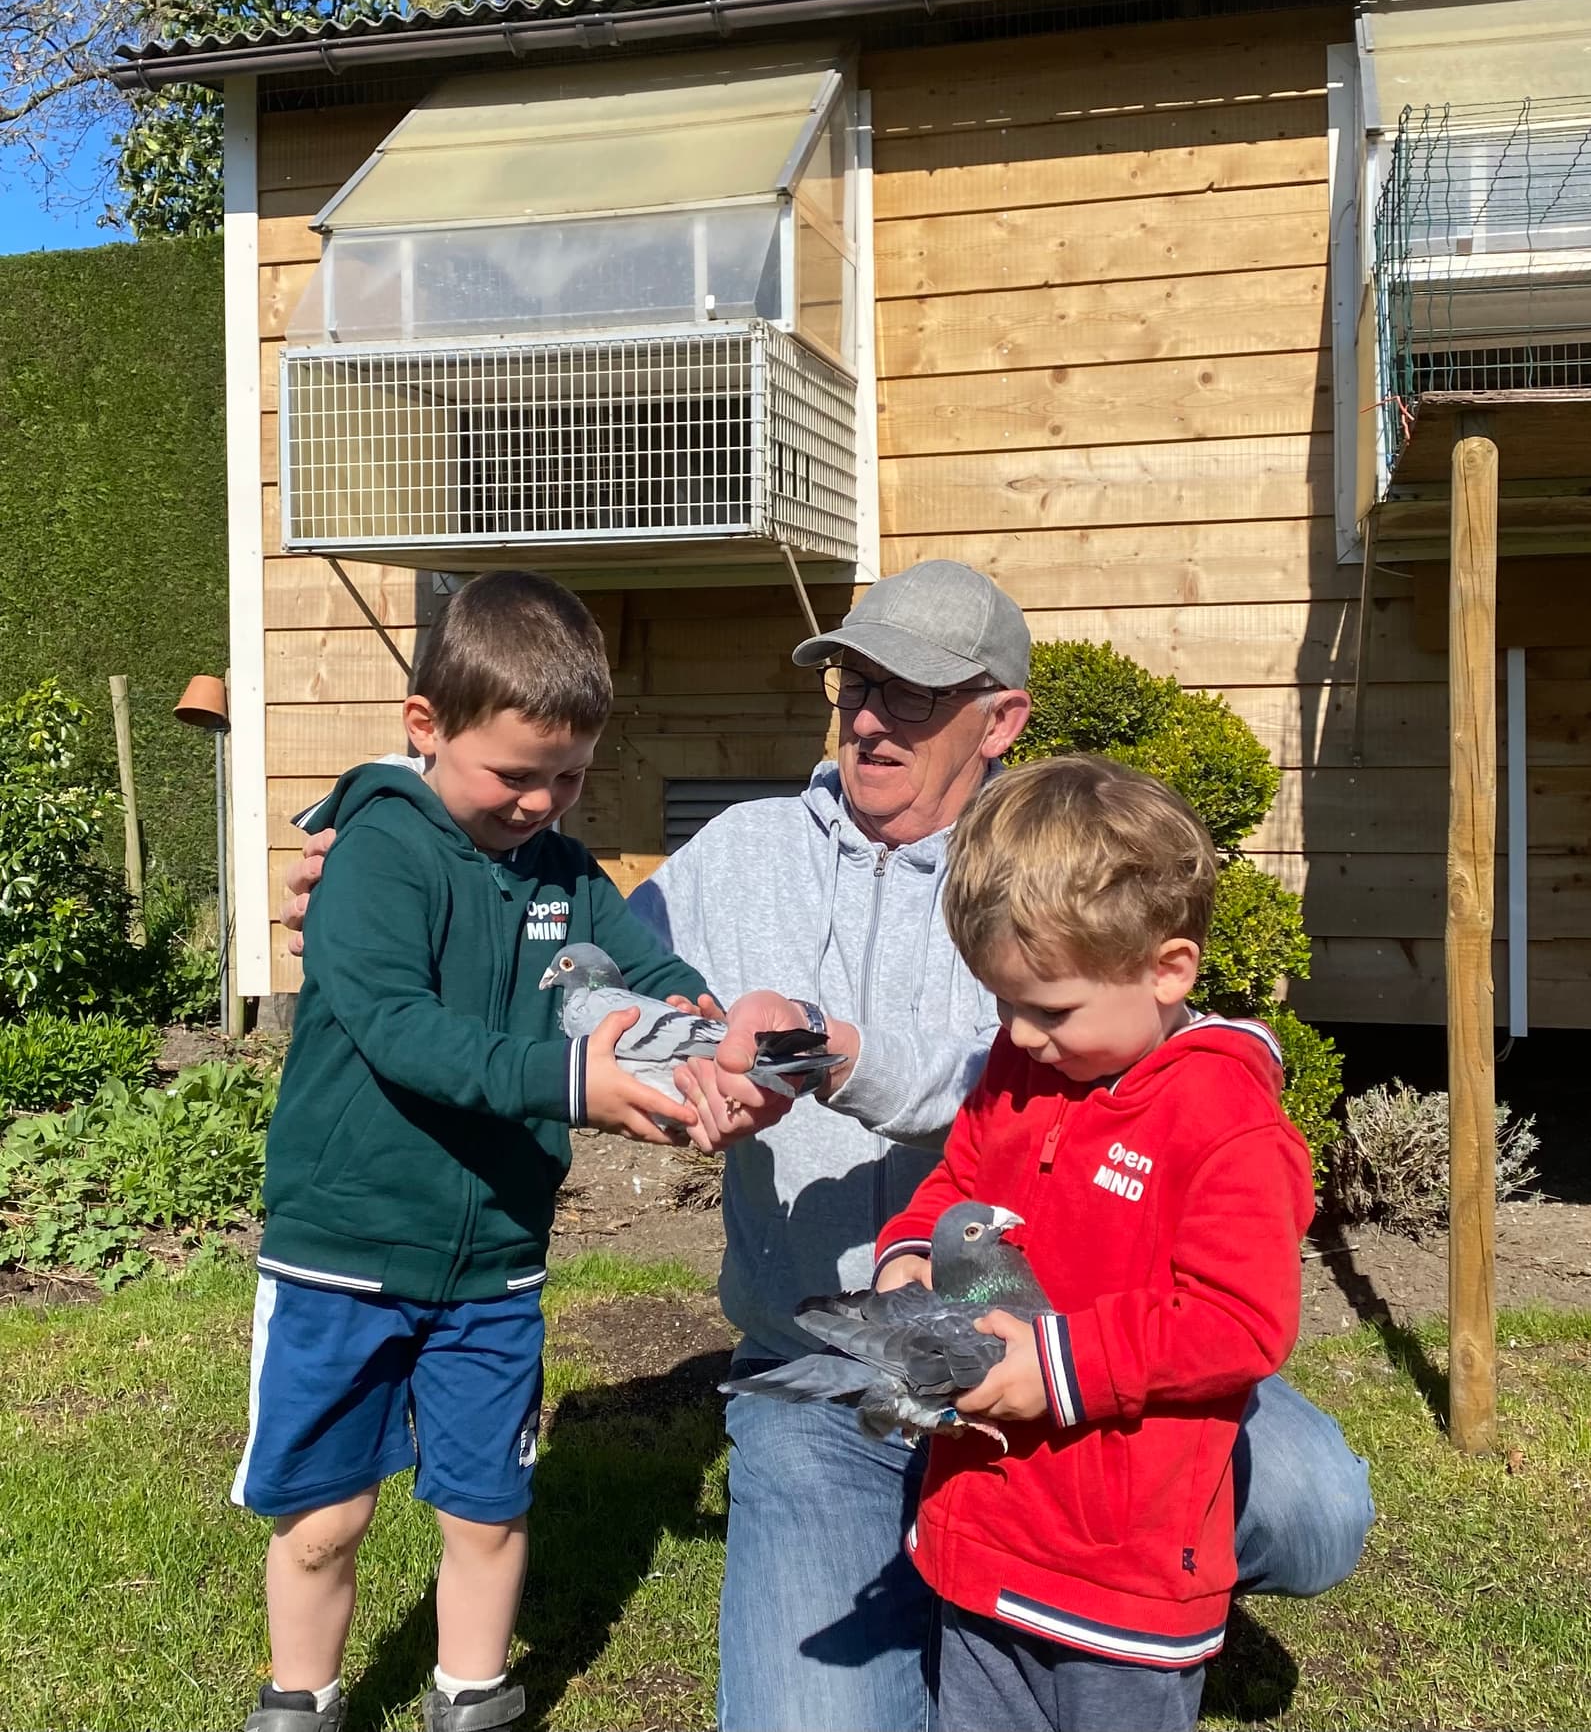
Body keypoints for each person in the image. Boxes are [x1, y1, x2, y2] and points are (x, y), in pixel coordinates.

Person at [282, 559, 1374, 1732]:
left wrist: (837, 1056)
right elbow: (581, 978)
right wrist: (412, 889)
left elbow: (1100, 1073)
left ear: (1000, 718)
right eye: (854, 683)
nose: (868, 717)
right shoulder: (742, 850)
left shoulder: (1051, 868)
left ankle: (1099, 1566)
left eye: (911, 693)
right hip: (830, 1363)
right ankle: (965, 1556)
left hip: (1049, 1350)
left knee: (1313, 1506)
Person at [236, 571, 728, 1732]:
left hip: (494, 1263)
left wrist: (710, 1027)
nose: (542, 800)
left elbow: (646, 968)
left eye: (571, 775)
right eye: (515, 773)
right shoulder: (374, 854)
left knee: (488, 1504)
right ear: (426, 724)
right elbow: (403, 1032)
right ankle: (301, 1699)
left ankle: (473, 1695)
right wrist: (572, 1081)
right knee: (325, 1518)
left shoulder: (564, 870)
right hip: (343, 1251)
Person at [873, 754, 1314, 1732]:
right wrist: (909, 1257)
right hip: (982, 1529)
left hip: (1122, 1567)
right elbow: (957, 1184)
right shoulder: (1022, 1065)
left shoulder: (1224, 1120)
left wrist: (1058, 1365)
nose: (1021, 1036)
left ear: (1168, 969)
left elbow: (1239, 1321)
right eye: (1002, 1004)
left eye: (1050, 1010)